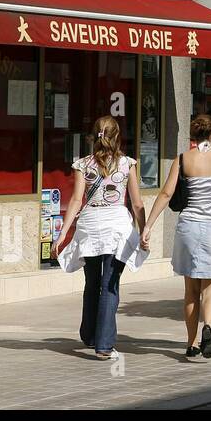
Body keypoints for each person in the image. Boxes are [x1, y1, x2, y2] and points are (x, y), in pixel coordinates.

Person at [141, 114, 211, 359]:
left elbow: (166, 193)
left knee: (190, 290)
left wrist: (148, 225)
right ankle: (208, 325)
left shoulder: (183, 159)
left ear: (192, 136)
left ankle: (191, 342)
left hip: (188, 226)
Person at [54, 116, 147, 360]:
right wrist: (144, 229)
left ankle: (90, 334)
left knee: (92, 283)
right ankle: (104, 345)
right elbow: (137, 203)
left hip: (89, 227)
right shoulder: (127, 163)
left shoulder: (82, 164)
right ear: (117, 137)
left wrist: (63, 233)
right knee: (110, 285)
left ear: (93, 136)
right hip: (116, 228)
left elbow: (76, 200)